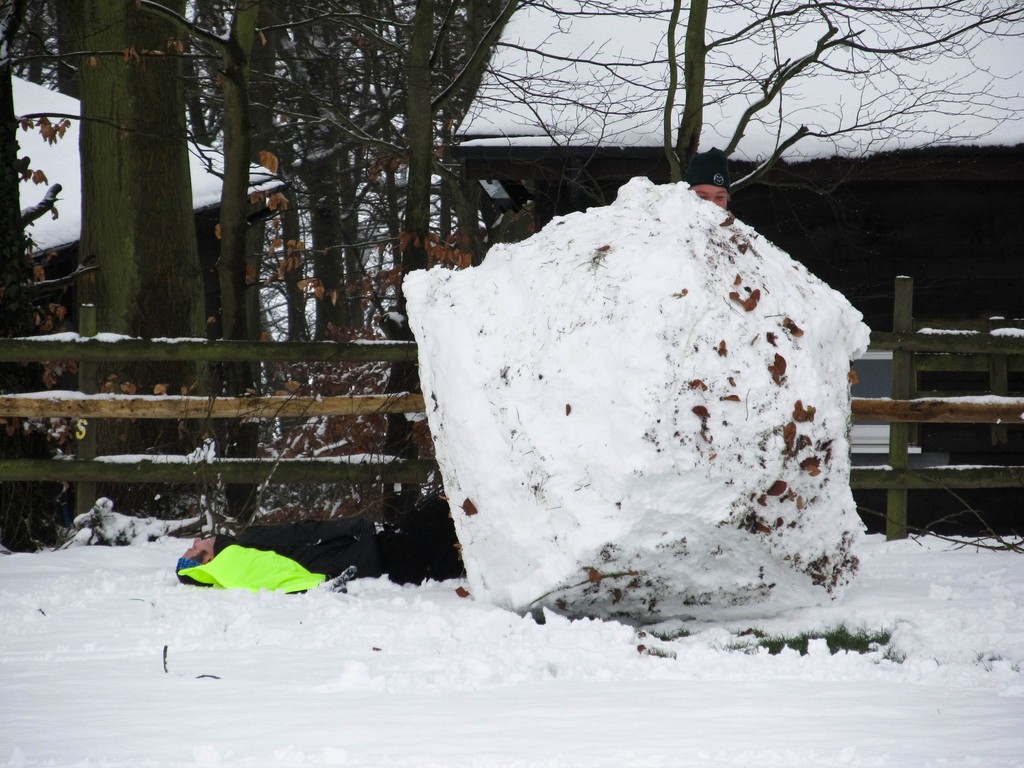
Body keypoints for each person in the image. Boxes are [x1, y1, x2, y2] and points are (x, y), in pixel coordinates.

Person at [175, 492, 464, 593]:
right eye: (196, 548)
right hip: (376, 549)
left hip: (377, 567)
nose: (198, 540)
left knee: (460, 557)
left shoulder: (242, 571)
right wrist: (356, 526)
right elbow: (305, 532)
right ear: (208, 560)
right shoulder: (246, 543)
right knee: (449, 502)